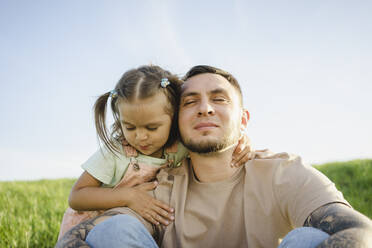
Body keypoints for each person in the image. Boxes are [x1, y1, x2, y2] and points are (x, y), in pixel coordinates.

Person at [56, 65, 372, 248]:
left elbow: (358, 231)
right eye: (191, 102)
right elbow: (91, 233)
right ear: (176, 124)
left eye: (219, 99)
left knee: (309, 239)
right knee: (111, 231)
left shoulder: (282, 172)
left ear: (244, 119)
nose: (205, 107)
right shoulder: (162, 181)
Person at [57, 65, 252, 240]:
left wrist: (241, 140)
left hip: (144, 226)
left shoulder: (179, 147)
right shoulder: (117, 151)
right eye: (130, 127)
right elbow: (77, 196)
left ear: (174, 118)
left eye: (152, 128)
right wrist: (129, 196)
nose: (141, 137)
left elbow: (212, 144)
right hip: (96, 228)